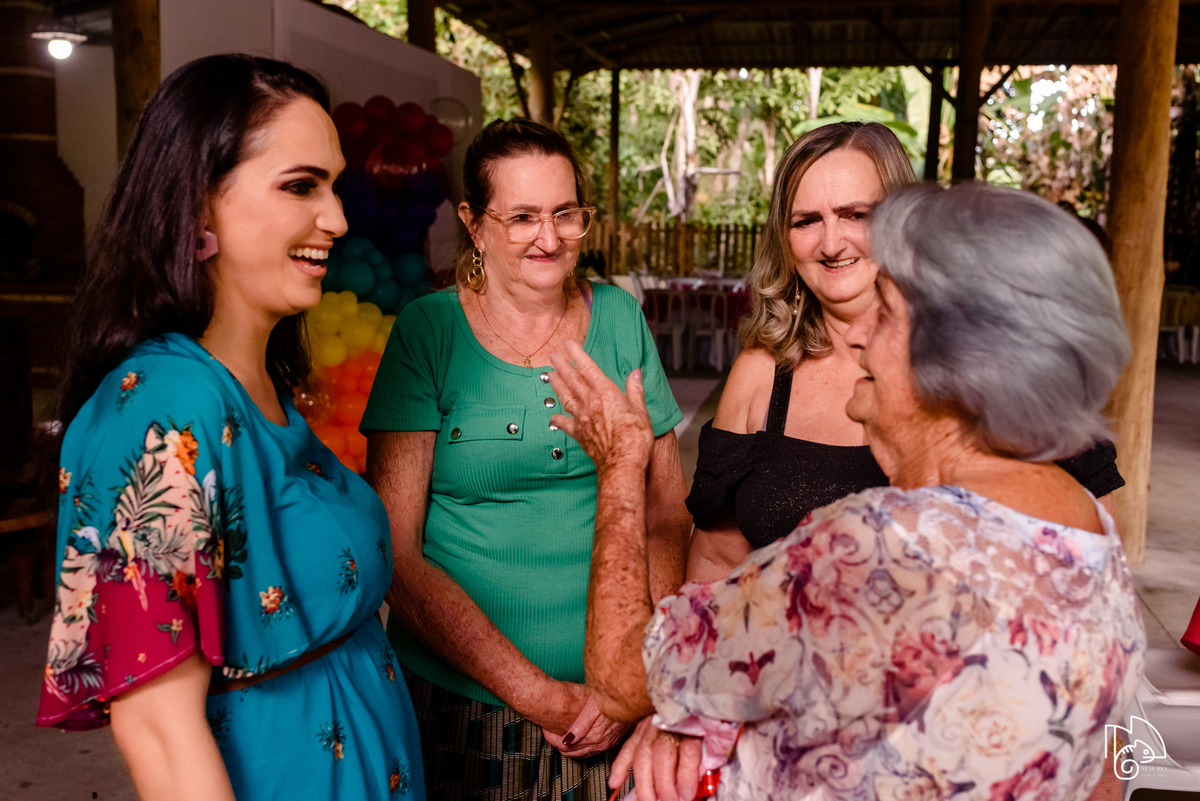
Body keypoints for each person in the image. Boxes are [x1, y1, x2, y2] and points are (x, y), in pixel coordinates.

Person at [549, 181, 1146, 801]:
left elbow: (624, 675)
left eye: (884, 311)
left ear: (952, 358)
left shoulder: (873, 550)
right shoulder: (1090, 536)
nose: (858, 336)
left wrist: (621, 465)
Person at [36, 54, 424, 800]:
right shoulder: (166, 410)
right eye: (301, 185)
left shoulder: (257, 382)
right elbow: (157, 726)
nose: (339, 219)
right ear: (198, 204)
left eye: (335, 186)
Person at [360, 119, 691, 800]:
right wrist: (543, 695)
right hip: (465, 703)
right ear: (474, 224)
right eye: (522, 217)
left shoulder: (621, 321)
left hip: (618, 700)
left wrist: (638, 675)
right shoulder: (430, 332)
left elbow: (664, 512)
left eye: (565, 213)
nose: (550, 237)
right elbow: (396, 549)